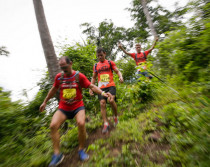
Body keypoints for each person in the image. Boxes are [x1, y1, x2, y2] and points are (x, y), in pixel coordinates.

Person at [40, 56, 111, 167]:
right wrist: (45, 102)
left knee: (81, 123)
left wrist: (102, 93)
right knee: (53, 125)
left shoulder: (79, 76)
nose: (64, 69)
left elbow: (91, 86)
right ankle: (57, 154)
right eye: (61, 67)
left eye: (65, 67)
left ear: (71, 63)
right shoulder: (59, 77)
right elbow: (53, 89)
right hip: (64, 107)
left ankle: (81, 150)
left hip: (78, 106)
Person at [89, 48, 123, 134]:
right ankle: (106, 123)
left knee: (111, 101)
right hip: (101, 88)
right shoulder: (96, 65)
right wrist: (91, 88)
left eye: (101, 55)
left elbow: (117, 71)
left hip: (111, 85)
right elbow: (94, 77)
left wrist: (120, 76)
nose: (100, 57)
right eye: (98, 56)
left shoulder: (110, 63)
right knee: (102, 103)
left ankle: (115, 117)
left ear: (105, 53)